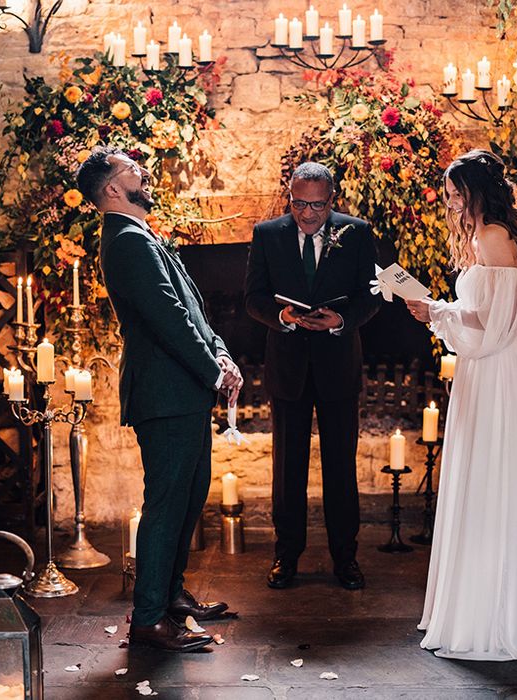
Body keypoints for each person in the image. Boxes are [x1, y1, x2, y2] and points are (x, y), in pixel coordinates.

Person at [77, 146, 243, 652]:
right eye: (132, 169)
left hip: (183, 390)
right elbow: (169, 319)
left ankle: (170, 597)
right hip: (164, 392)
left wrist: (221, 354)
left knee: (189, 497)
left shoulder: (140, 234)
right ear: (110, 188)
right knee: (168, 504)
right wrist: (213, 371)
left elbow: (192, 305)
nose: (143, 173)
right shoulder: (125, 240)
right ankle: (148, 618)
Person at [407, 149, 517, 660]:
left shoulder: (492, 237)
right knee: (480, 479)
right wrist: (438, 311)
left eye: (453, 194)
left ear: (474, 192)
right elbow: (480, 316)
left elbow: (493, 330)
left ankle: (493, 615)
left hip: (492, 373)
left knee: (492, 481)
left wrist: (436, 315)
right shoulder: (485, 235)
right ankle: (480, 603)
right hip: (481, 371)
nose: (449, 204)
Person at [245, 162, 380, 591]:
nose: (307, 214)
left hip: (338, 365)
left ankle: (346, 558)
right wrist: (281, 316)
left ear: (332, 200)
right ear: (290, 197)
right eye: (299, 204)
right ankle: (286, 556)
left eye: (317, 206)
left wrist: (340, 318)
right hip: (288, 368)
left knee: (341, 467)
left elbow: (370, 297)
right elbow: (253, 297)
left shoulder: (356, 233)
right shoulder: (267, 234)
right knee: (288, 471)